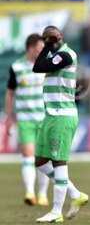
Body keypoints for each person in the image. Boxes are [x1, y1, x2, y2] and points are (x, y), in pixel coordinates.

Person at [33, 26, 88, 223]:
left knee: (58, 161)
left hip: (62, 116)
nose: (49, 43)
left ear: (59, 38)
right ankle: (75, 194)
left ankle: (56, 212)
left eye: (51, 39)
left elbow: (37, 67)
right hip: (50, 115)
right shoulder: (55, 55)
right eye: (47, 40)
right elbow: (40, 65)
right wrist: (48, 46)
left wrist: (47, 46)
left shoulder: (66, 55)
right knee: (40, 161)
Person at [4, 34, 49, 206]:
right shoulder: (17, 67)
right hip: (25, 119)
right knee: (28, 156)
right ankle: (30, 192)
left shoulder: (46, 66)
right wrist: (9, 117)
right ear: (30, 48)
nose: (41, 52)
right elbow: (10, 93)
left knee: (44, 158)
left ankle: (43, 193)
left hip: (45, 118)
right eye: (39, 49)